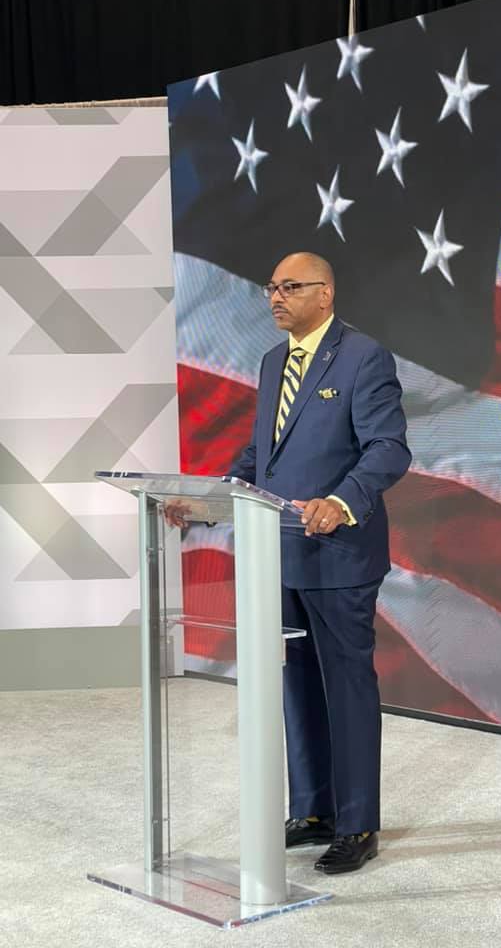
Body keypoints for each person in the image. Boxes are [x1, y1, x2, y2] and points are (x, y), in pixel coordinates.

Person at [168, 251, 411, 874]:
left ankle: (357, 824)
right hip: (277, 550)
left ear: (325, 294)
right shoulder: (275, 362)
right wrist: (206, 501)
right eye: (271, 288)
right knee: (295, 683)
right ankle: (313, 810)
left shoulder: (364, 358)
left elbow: (389, 448)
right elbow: (262, 456)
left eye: (290, 287)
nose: (276, 297)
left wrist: (340, 501)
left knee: (347, 687)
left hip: (338, 553)